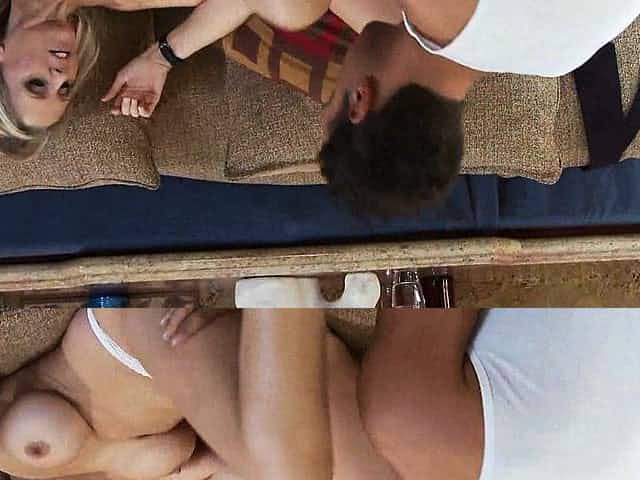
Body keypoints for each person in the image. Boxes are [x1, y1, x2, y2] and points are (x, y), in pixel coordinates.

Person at [0, 307, 396, 480]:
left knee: (288, 473)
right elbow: (193, 445)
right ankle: (316, 346)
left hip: (123, 334)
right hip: (193, 371)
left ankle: (283, 285)